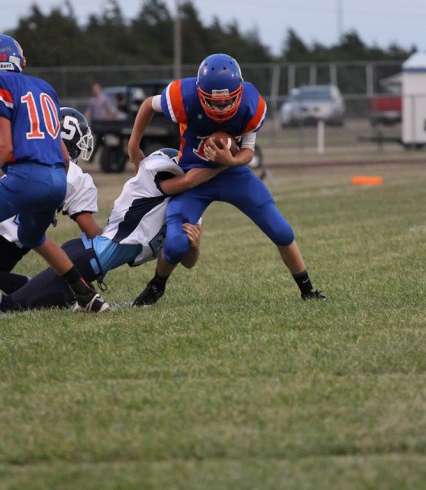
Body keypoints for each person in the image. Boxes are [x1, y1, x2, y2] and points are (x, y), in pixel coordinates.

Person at [128, 52, 326, 306]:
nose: (220, 108)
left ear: (239, 92)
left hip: (232, 174)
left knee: (281, 230)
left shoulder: (251, 104)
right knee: (176, 243)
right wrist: (134, 143)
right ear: (199, 92)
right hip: (193, 174)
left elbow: (248, 151)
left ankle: (307, 290)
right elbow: (148, 105)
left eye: (227, 102)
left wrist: (229, 161)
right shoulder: (183, 95)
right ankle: (156, 286)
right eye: (213, 102)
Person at [0, 149, 224, 313]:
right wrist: (226, 164)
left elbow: (185, 261)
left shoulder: (185, 211)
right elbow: (186, 181)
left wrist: (194, 246)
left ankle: (38, 286)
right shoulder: (155, 187)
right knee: (12, 306)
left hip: (87, 264)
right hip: (81, 259)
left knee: (34, 296)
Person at [0, 34, 108, 312]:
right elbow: (63, 155)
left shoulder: (3, 85)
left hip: (25, 177)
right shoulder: (44, 88)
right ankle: (86, 294)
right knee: (34, 237)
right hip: (56, 180)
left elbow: (4, 145)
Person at [0, 107, 101, 294]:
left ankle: (41, 289)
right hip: (18, 241)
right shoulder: (77, 177)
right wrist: (114, 239)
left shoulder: (28, 154)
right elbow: (89, 229)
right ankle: (41, 288)